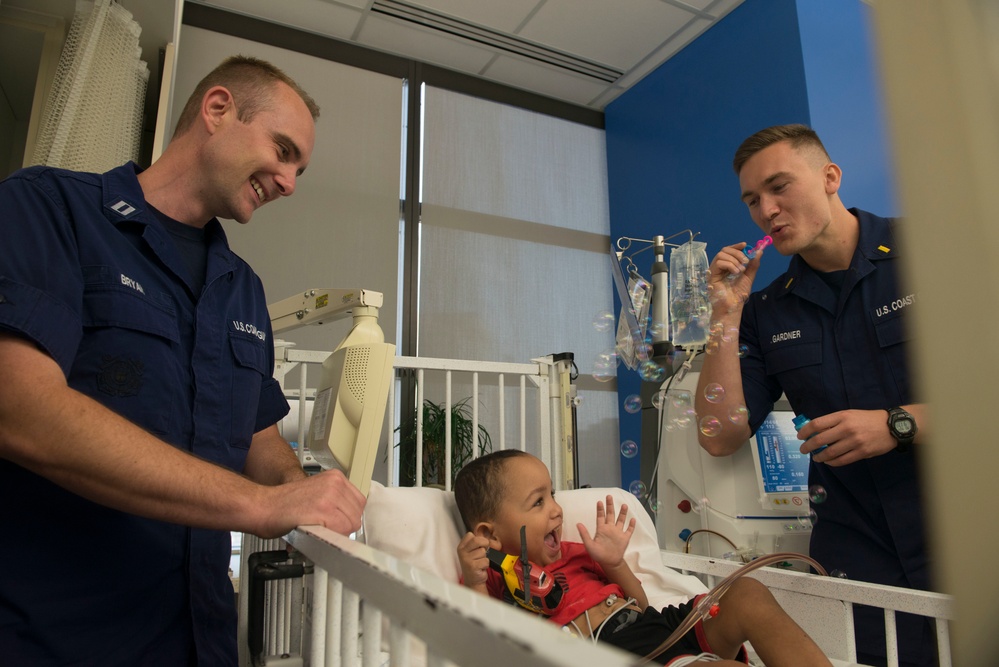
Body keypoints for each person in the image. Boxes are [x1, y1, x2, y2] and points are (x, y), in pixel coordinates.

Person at [0, 56, 366, 666]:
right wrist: (259, 506)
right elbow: (20, 408)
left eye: (299, 168)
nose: (289, 183)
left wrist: (296, 489)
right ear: (218, 109)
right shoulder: (51, 209)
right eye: (282, 150)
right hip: (63, 638)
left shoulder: (240, 287)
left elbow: (258, 436)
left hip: (201, 640)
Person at [694, 124, 933, 666]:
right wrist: (724, 316)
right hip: (858, 555)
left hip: (965, 528)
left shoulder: (931, 253)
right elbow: (721, 434)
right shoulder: (767, 311)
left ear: (830, 177)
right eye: (753, 200)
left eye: (780, 187)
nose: (766, 210)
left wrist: (898, 424)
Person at [454, 450, 831, 666]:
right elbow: (479, 645)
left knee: (747, 592)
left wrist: (614, 563)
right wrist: (473, 581)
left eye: (553, 495)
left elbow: (641, 602)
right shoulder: (494, 581)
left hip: (653, 627)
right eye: (538, 502)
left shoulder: (573, 554)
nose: (556, 510)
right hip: (611, 654)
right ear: (490, 534)